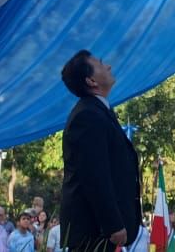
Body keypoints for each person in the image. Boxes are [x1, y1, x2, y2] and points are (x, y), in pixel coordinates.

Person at [59, 50, 142, 251]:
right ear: (91, 81)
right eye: (101, 63)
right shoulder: (87, 116)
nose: (109, 66)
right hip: (96, 232)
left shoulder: (100, 112)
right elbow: (95, 176)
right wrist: (112, 224)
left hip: (102, 231)